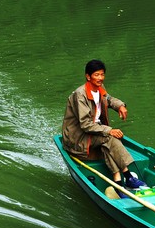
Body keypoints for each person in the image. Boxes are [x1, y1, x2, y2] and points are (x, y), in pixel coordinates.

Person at [61, 59, 146, 190]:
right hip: (78, 138)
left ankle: (118, 182)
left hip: (94, 133)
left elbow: (108, 99)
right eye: (96, 75)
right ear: (88, 76)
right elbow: (85, 124)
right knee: (109, 137)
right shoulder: (80, 95)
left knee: (108, 143)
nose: (100, 78)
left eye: (102, 74)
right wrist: (109, 130)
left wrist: (120, 106)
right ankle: (128, 176)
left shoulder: (100, 88)